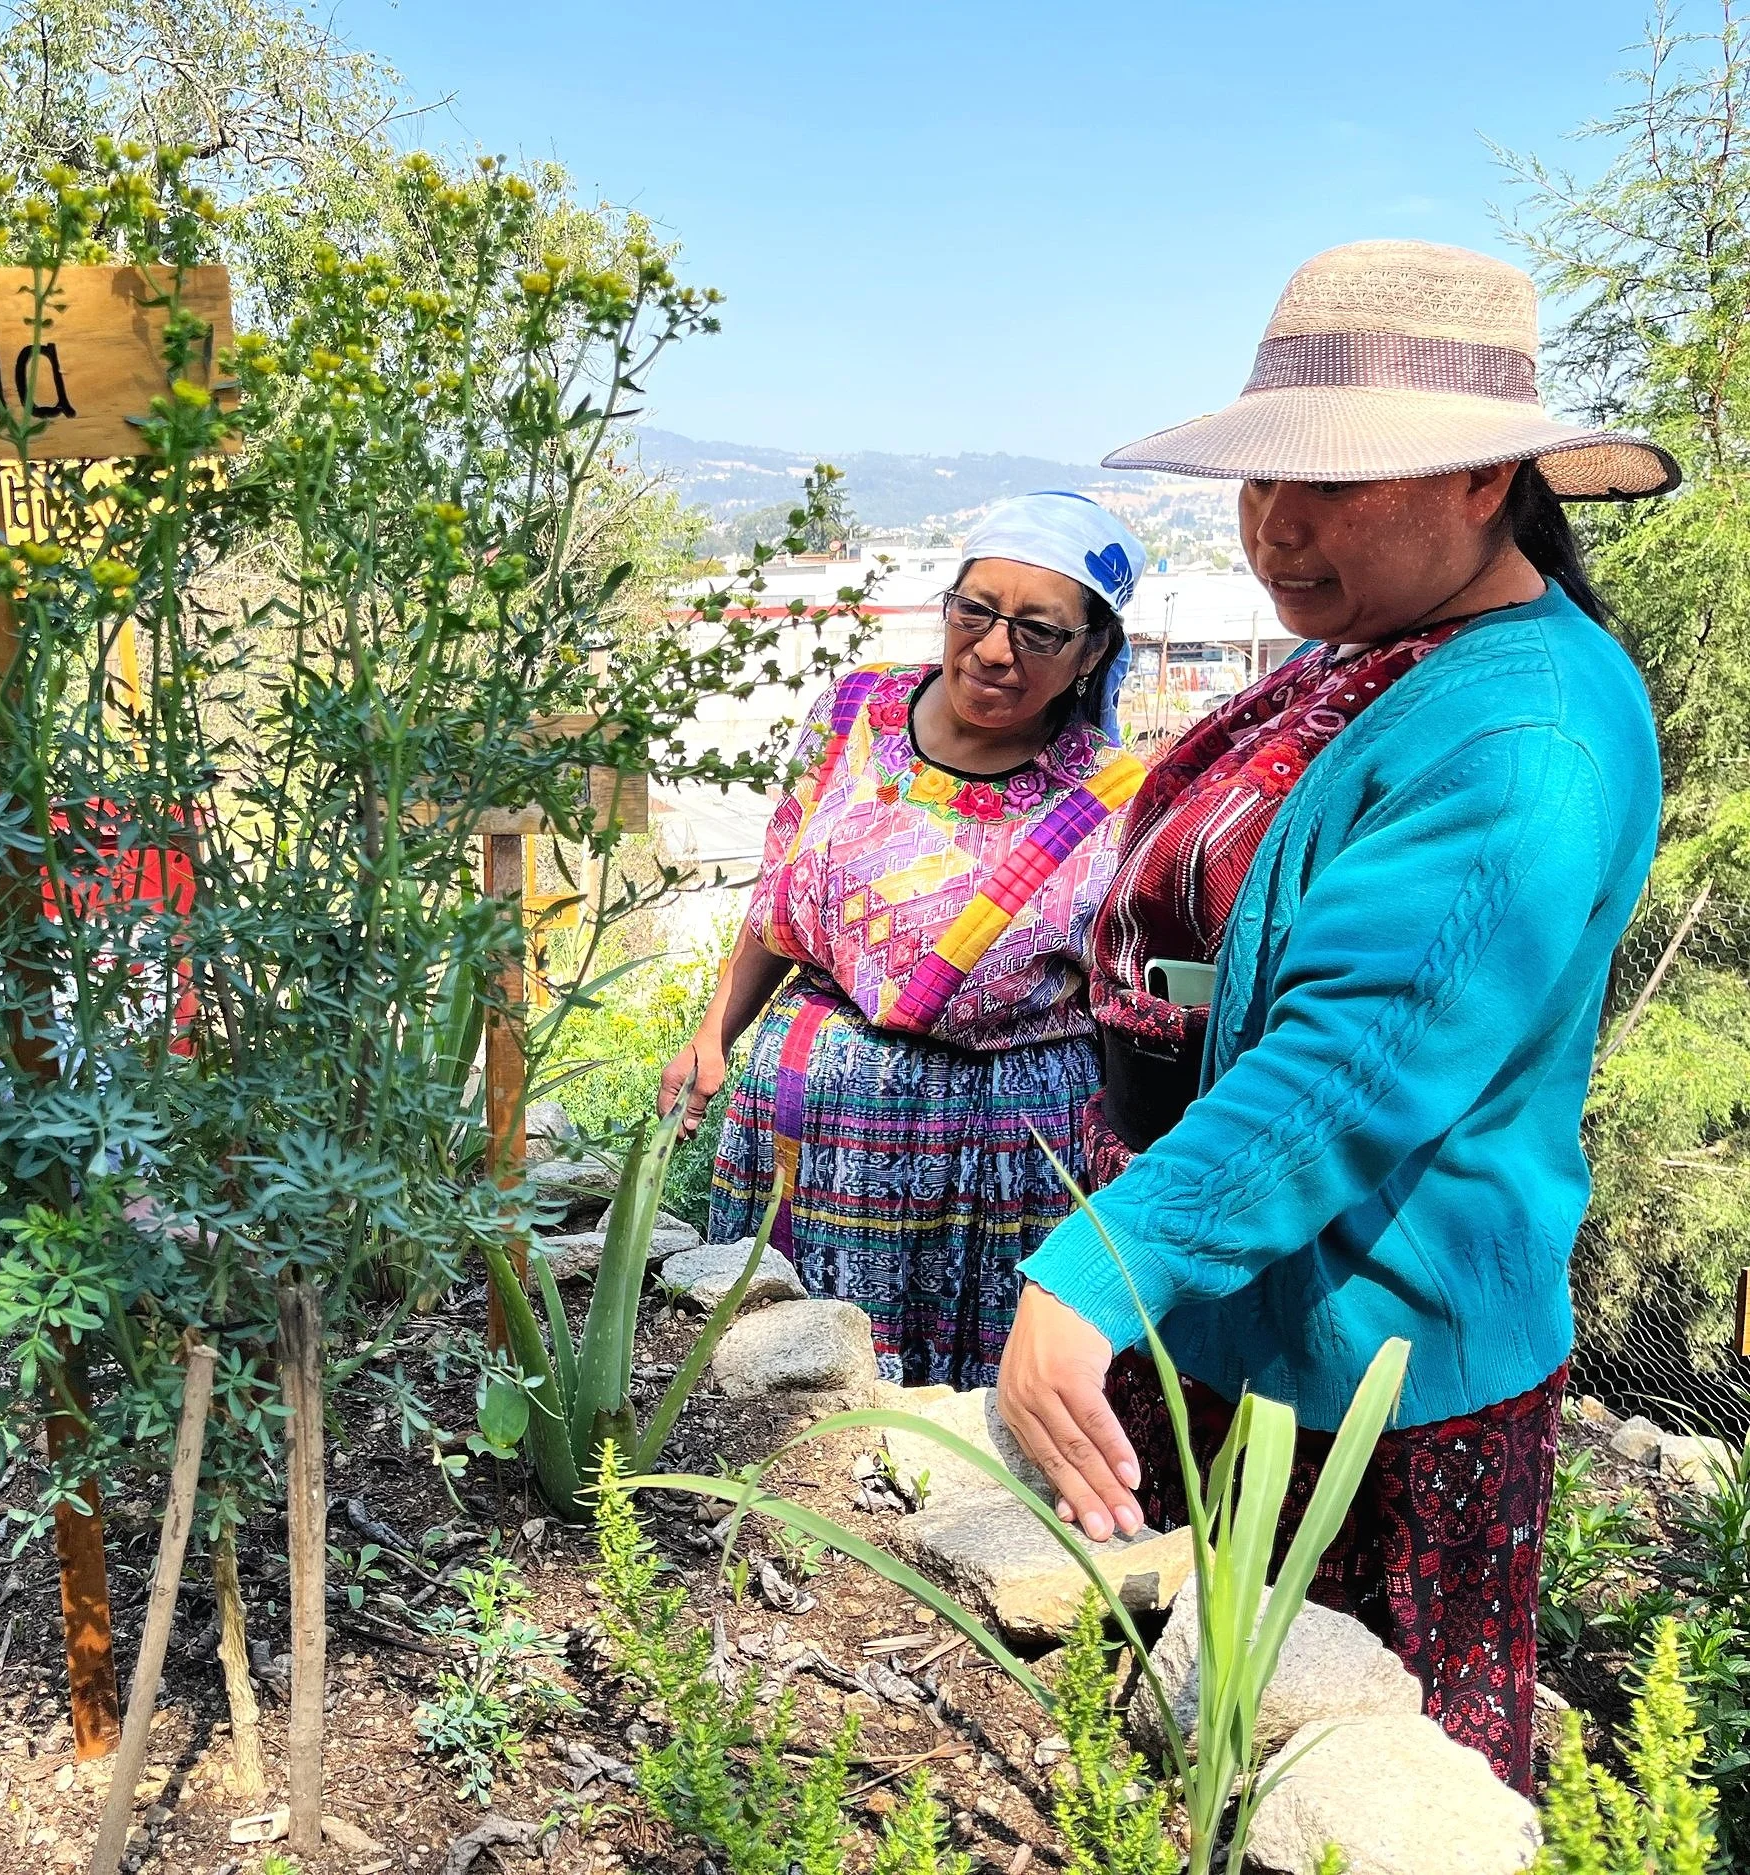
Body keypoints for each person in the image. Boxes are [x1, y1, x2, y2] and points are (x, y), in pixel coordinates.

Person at [995, 240, 1679, 1792]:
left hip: (1374, 1362)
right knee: (1181, 1751)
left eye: (1334, 485)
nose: (1276, 527)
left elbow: (1353, 1060)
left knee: (1349, 1778)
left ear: (1487, 479)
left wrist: (1109, 1261)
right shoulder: (1376, 651)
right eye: (1258, 482)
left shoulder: (1527, 736)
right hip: (1235, 1309)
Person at [661, 494, 1149, 1385]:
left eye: (1040, 631)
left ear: (1093, 653)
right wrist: (711, 1035)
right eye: (977, 611)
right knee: (775, 1393)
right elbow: (778, 887)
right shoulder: (853, 712)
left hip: (996, 1160)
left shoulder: (1116, 797)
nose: (996, 649)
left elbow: (1125, 999)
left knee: (950, 1437)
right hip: (805, 1124)